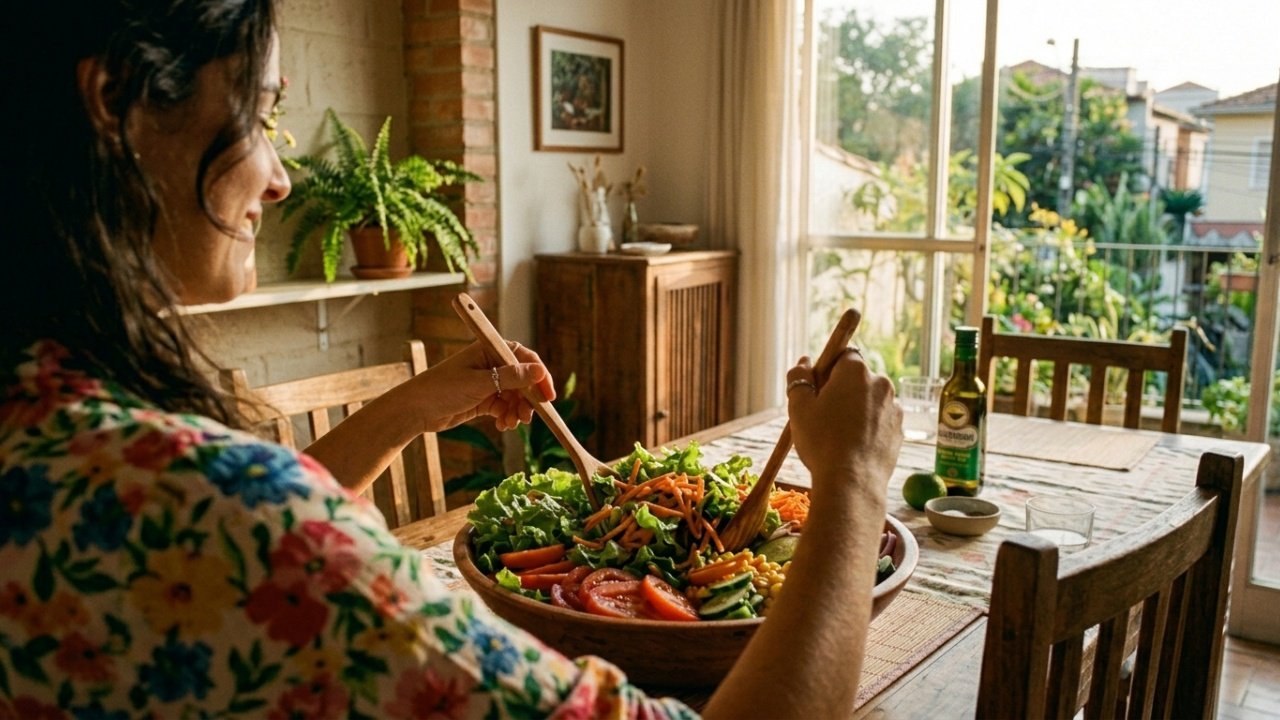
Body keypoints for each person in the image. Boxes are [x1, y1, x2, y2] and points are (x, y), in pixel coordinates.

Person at [0, 2, 903, 718]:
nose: (279, 178)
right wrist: (856, 486)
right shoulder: (228, 513)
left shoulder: (61, 442)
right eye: (261, 113)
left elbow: (205, 565)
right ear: (117, 101)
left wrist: (411, 409)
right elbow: (253, 536)